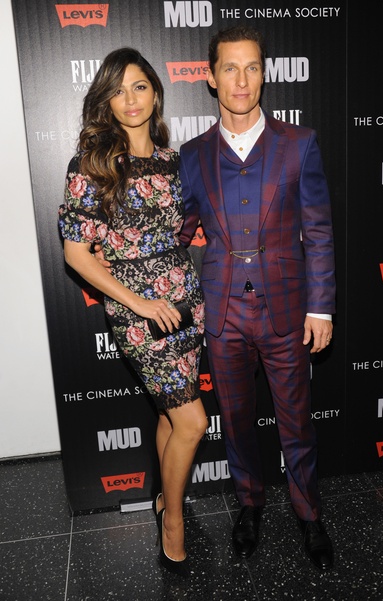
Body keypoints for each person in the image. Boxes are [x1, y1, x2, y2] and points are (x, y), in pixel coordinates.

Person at [178, 26, 336, 571]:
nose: (241, 80)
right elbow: (179, 234)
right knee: (237, 422)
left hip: (287, 312)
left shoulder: (299, 143)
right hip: (223, 314)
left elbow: (318, 231)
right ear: (210, 77)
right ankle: (249, 505)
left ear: (264, 74)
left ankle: (309, 514)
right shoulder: (193, 156)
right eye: (229, 68)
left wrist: (321, 307)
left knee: (297, 422)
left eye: (251, 68)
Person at [58, 47, 208, 578]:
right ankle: (173, 525)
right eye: (118, 90)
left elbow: (181, 229)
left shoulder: (173, 160)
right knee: (193, 420)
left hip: (186, 302)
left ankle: (166, 499)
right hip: (139, 312)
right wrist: (140, 301)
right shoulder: (93, 165)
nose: (130, 99)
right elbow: (77, 255)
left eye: (140, 86)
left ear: (155, 93)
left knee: (170, 414)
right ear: (106, 100)